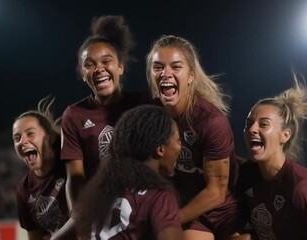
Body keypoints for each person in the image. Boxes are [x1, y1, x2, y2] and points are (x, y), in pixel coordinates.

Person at [145, 35, 243, 240]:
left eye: (176, 67)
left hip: (221, 211)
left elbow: (216, 192)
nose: (166, 73)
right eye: (158, 67)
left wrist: (169, 219)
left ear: (191, 75)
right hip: (187, 207)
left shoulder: (210, 121)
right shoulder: (151, 114)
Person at [61, 15, 151, 212]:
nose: (99, 68)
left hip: (144, 209)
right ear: (83, 74)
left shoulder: (144, 104)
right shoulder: (74, 115)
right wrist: (80, 223)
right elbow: (75, 178)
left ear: (120, 67)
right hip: (102, 212)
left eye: (106, 61)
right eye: (89, 64)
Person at [235, 72, 307, 239]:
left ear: (285, 135)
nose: (252, 129)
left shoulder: (305, 189)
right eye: (248, 124)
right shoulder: (245, 176)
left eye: (263, 124)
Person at [52, 105, 183, 240]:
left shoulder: (103, 188)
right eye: (178, 140)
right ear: (160, 150)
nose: (180, 146)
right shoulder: (159, 195)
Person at [12, 96, 76, 240]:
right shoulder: (24, 188)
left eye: (30, 133)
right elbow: (34, 236)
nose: (23, 141)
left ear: (51, 137)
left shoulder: (73, 163)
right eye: (17, 138)